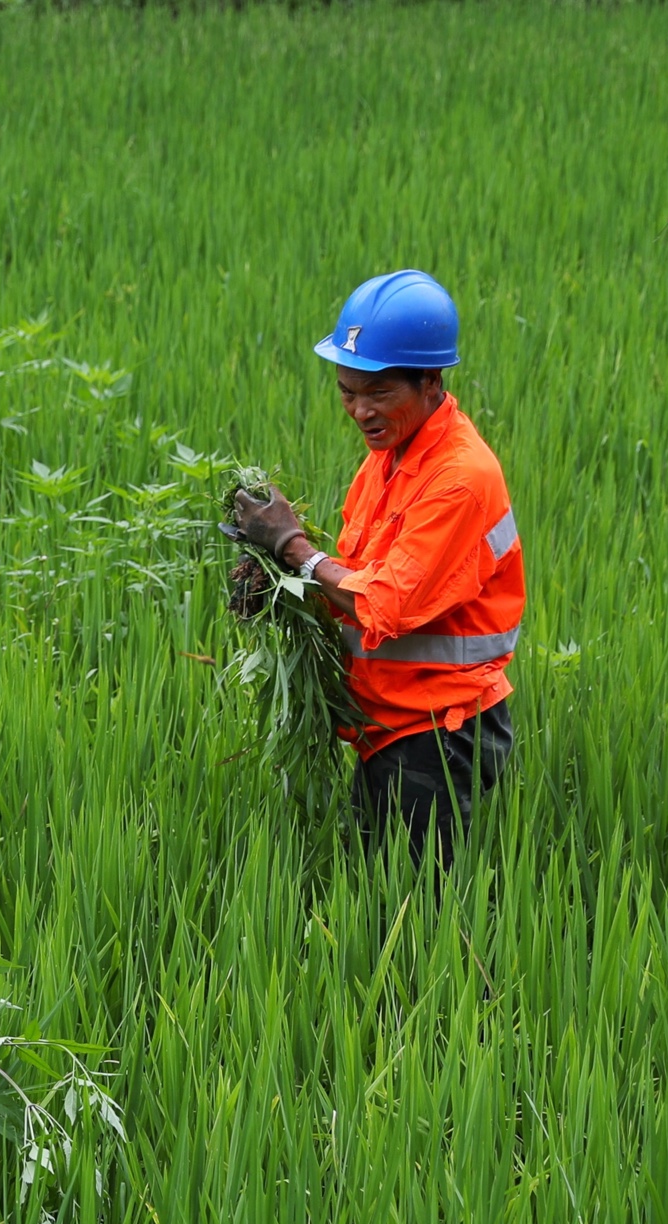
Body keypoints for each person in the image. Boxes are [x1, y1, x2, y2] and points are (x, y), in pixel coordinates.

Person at [226, 269, 526, 863]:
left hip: (439, 733)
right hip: (386, 724)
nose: (360, 410)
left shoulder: (459, 480)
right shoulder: (390, 458)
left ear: (431, 382)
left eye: (379, 391)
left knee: (419, 917)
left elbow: (382, 603)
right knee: (377, 895)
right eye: (347, 390)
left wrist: (292, 546)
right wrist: (283, 586)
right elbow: (355, 575)